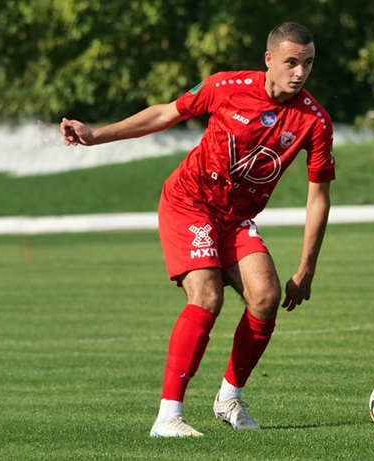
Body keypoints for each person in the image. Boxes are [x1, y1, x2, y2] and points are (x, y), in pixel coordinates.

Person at [60, 22, 335, 437]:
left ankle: (229, 399)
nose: (299, 73)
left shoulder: (315, 121)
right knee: (206, 296)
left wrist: (306, 268)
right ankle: (168, 418)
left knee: (266, 297)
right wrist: (95, 135)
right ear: (269, 59)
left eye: (308, 63)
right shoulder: (226, 86)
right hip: (189, 202)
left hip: (235, 218)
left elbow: (318, 198)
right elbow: (165, 113)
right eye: (291, 62)